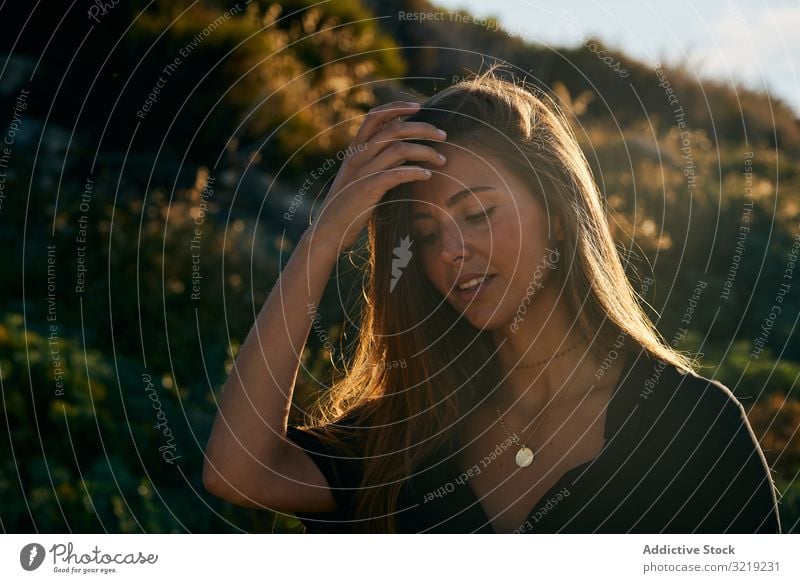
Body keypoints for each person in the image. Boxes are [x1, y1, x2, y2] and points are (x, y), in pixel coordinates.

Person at [202, 69, 782, 534]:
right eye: (427, 235)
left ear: (556, 219)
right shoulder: (406, 434)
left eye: (479, 213)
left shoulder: (692, 426)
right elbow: (238, 472)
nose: (452, 251)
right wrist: (324, 235)